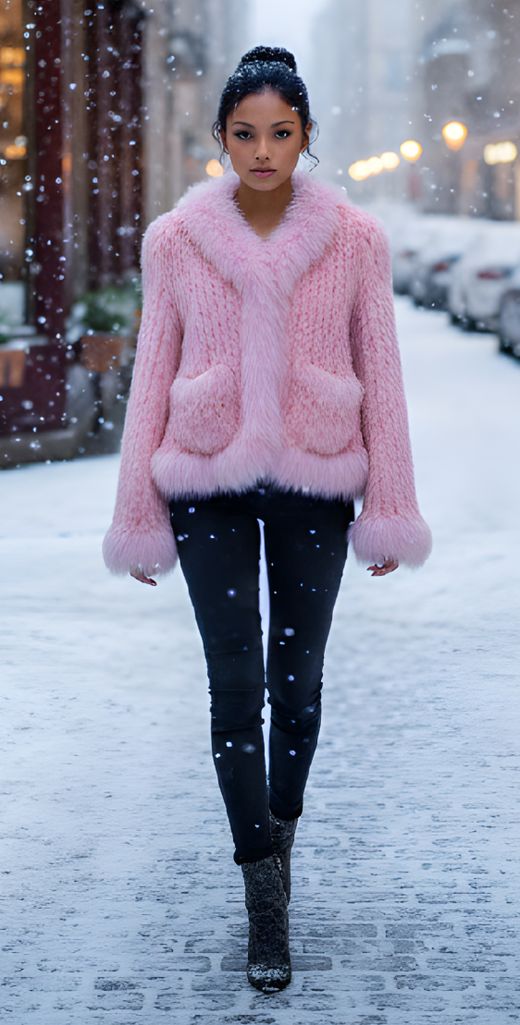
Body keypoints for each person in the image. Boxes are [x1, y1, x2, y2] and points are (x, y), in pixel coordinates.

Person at [102, 44, 432, 994]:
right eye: (244, 133)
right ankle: (263, 894)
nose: (261, 150)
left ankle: (279, 824)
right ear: (219, 140)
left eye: (279, 133)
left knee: (299, 680)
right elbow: (150, 375)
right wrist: (139, 511)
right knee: (233, 682)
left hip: (316, 476)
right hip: (205, 473)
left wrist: (392, 504)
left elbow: (386, 375)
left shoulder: (356, 239)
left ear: (306, 138)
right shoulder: (175, 239)